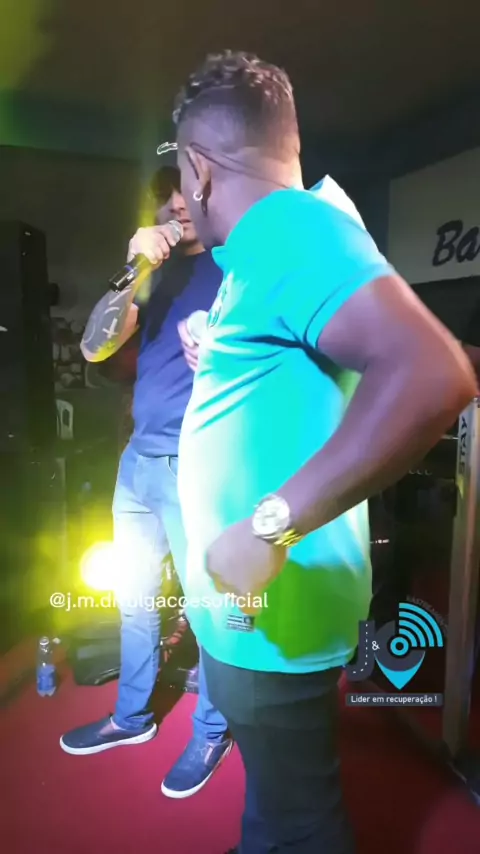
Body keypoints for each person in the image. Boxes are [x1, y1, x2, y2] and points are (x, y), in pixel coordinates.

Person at [172, 50, 477, 853]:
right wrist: (217, 345)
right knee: (280, 804)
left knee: (302, 820)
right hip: (251, 611)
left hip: (272, 607)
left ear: (198, 169)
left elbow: (434, 373)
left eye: (179, 176)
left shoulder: (288, 227)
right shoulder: (269, 246)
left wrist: (269, 526)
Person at [59, 160, 232, 799]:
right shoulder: (152, 274)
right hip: (137, 464)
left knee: (209, 611)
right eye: (166, 198)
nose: (177, 206)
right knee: (134, 599)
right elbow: (94, 348)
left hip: (197, 462)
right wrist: (133, 268)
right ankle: (131, 719)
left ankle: (213, 729)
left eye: (188, 193)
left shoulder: (233, 266)